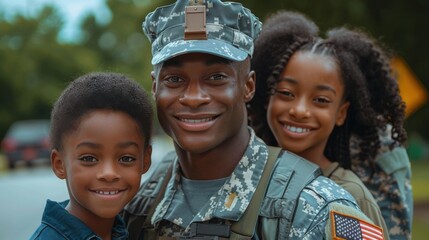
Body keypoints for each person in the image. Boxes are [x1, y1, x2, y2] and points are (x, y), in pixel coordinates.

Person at [122, 1, 384, 239]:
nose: (193, 98)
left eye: (216, 78)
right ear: (155, 87)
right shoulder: (140, 197)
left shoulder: (313, 209)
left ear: (248, 86)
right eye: (175, 80)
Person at [248, 10, 410, 239]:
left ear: (341, 113)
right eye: (286, 93)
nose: (299, 110)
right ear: (267, 99)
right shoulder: (245, 177)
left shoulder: (352, 196)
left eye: (321, 100)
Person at [30, 72, 153, 240]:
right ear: (59, 164)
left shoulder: (126, 230)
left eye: (126, 158)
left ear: (145, 160)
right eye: (89, 158)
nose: (109, 173)